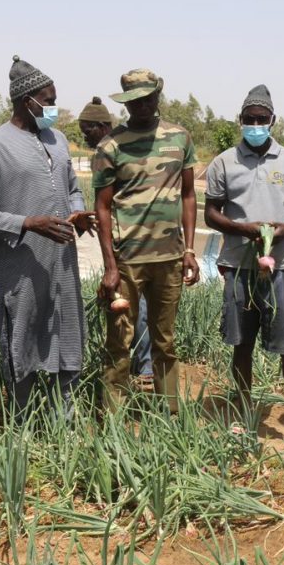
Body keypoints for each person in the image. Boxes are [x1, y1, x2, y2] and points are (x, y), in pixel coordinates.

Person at [0, 57, 92, 418]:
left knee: (66, 336)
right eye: (48, 100)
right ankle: (22, 424)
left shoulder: (59, 140)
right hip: (21, 266)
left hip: (62, 266)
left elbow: (71, 188)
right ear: (27, 101)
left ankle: (62, 426)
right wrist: (27, 223)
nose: (53, 107)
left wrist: (78, 212)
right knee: (22, 341)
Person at [203, 85, 284, 456]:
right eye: (248, 120)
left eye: (261, 120)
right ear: (240, 121)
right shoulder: (223, 162)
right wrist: (244, 230)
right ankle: (242, 421)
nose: (255, 125)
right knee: (242, 344)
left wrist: (281, 231)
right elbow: (211, 212)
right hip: (237, 267)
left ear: (273, 121)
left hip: (282, 267)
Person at [93, 68, 200, 413]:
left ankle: (169, 413)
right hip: (128, 260)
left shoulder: (179, 138)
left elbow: (188, 195)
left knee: (164, 342)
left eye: (147, 98)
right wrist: (110, 266)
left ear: (158, 97)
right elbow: (103, 207)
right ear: (125, 103)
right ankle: (114, 418)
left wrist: (188, 250)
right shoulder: (111, 146)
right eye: (134, 100)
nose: (141, 105)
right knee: (119, 341)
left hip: (168, 258)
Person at [78, 97, 153, 385]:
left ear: (103, 126)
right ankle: (134, 366)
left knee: (138, 308)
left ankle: (144, 369)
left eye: (88, 131)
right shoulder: (107, 149)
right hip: (121, 242)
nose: (86, 137)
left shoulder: (119, 147)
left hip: (134, 242)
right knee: (124, 305)